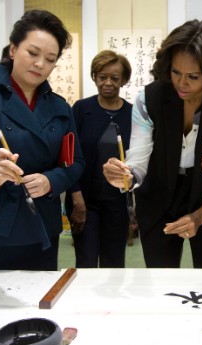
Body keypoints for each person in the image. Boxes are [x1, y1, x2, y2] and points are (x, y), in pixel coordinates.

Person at [103, 19, 202, 269]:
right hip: (159, 192)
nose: (182, 84)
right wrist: (126, 176)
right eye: (175, 72)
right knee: (161, 277)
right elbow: (138, 158)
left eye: (193, 76)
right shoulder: (149, 99)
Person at [0, 9, 84, 270]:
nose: (40, 64)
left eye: (50, 59)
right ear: (13, 49)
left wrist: (51, 181)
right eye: (32, 53)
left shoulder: (60, 107)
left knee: (37, 303)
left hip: (42, 221)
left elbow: (75, 162)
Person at [65, 50, 133, 268]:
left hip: (118, 203)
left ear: (123, 80)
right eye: (102, 77)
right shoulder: (81, 109)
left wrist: (136, 208)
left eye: (115, 78)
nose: (108, 83)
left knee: (114, 263)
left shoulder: (132, 114)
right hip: (85, 201)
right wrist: (76, 198)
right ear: (94, 77)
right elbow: (69, 156)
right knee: (85, 262)